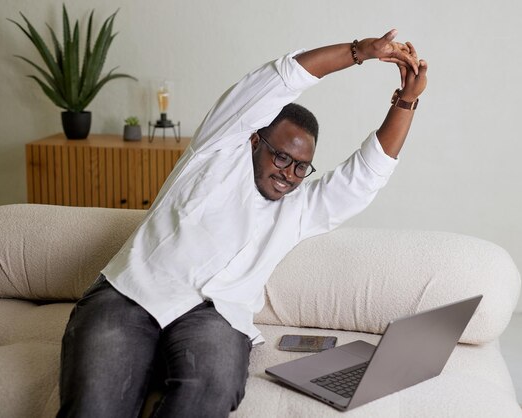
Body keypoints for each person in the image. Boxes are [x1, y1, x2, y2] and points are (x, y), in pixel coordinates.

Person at [57, 28, 428, 418]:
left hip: (216, 318)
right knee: (94, 406)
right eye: (282, 157)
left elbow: (368, 173)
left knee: (209, 395)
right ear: (254, 141)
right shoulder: (217, 151)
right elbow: (281, 77)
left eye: (302, 167)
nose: (289, 174)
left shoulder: (300, 208)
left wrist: (406, 102)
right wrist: (359, 52)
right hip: (130, 295)